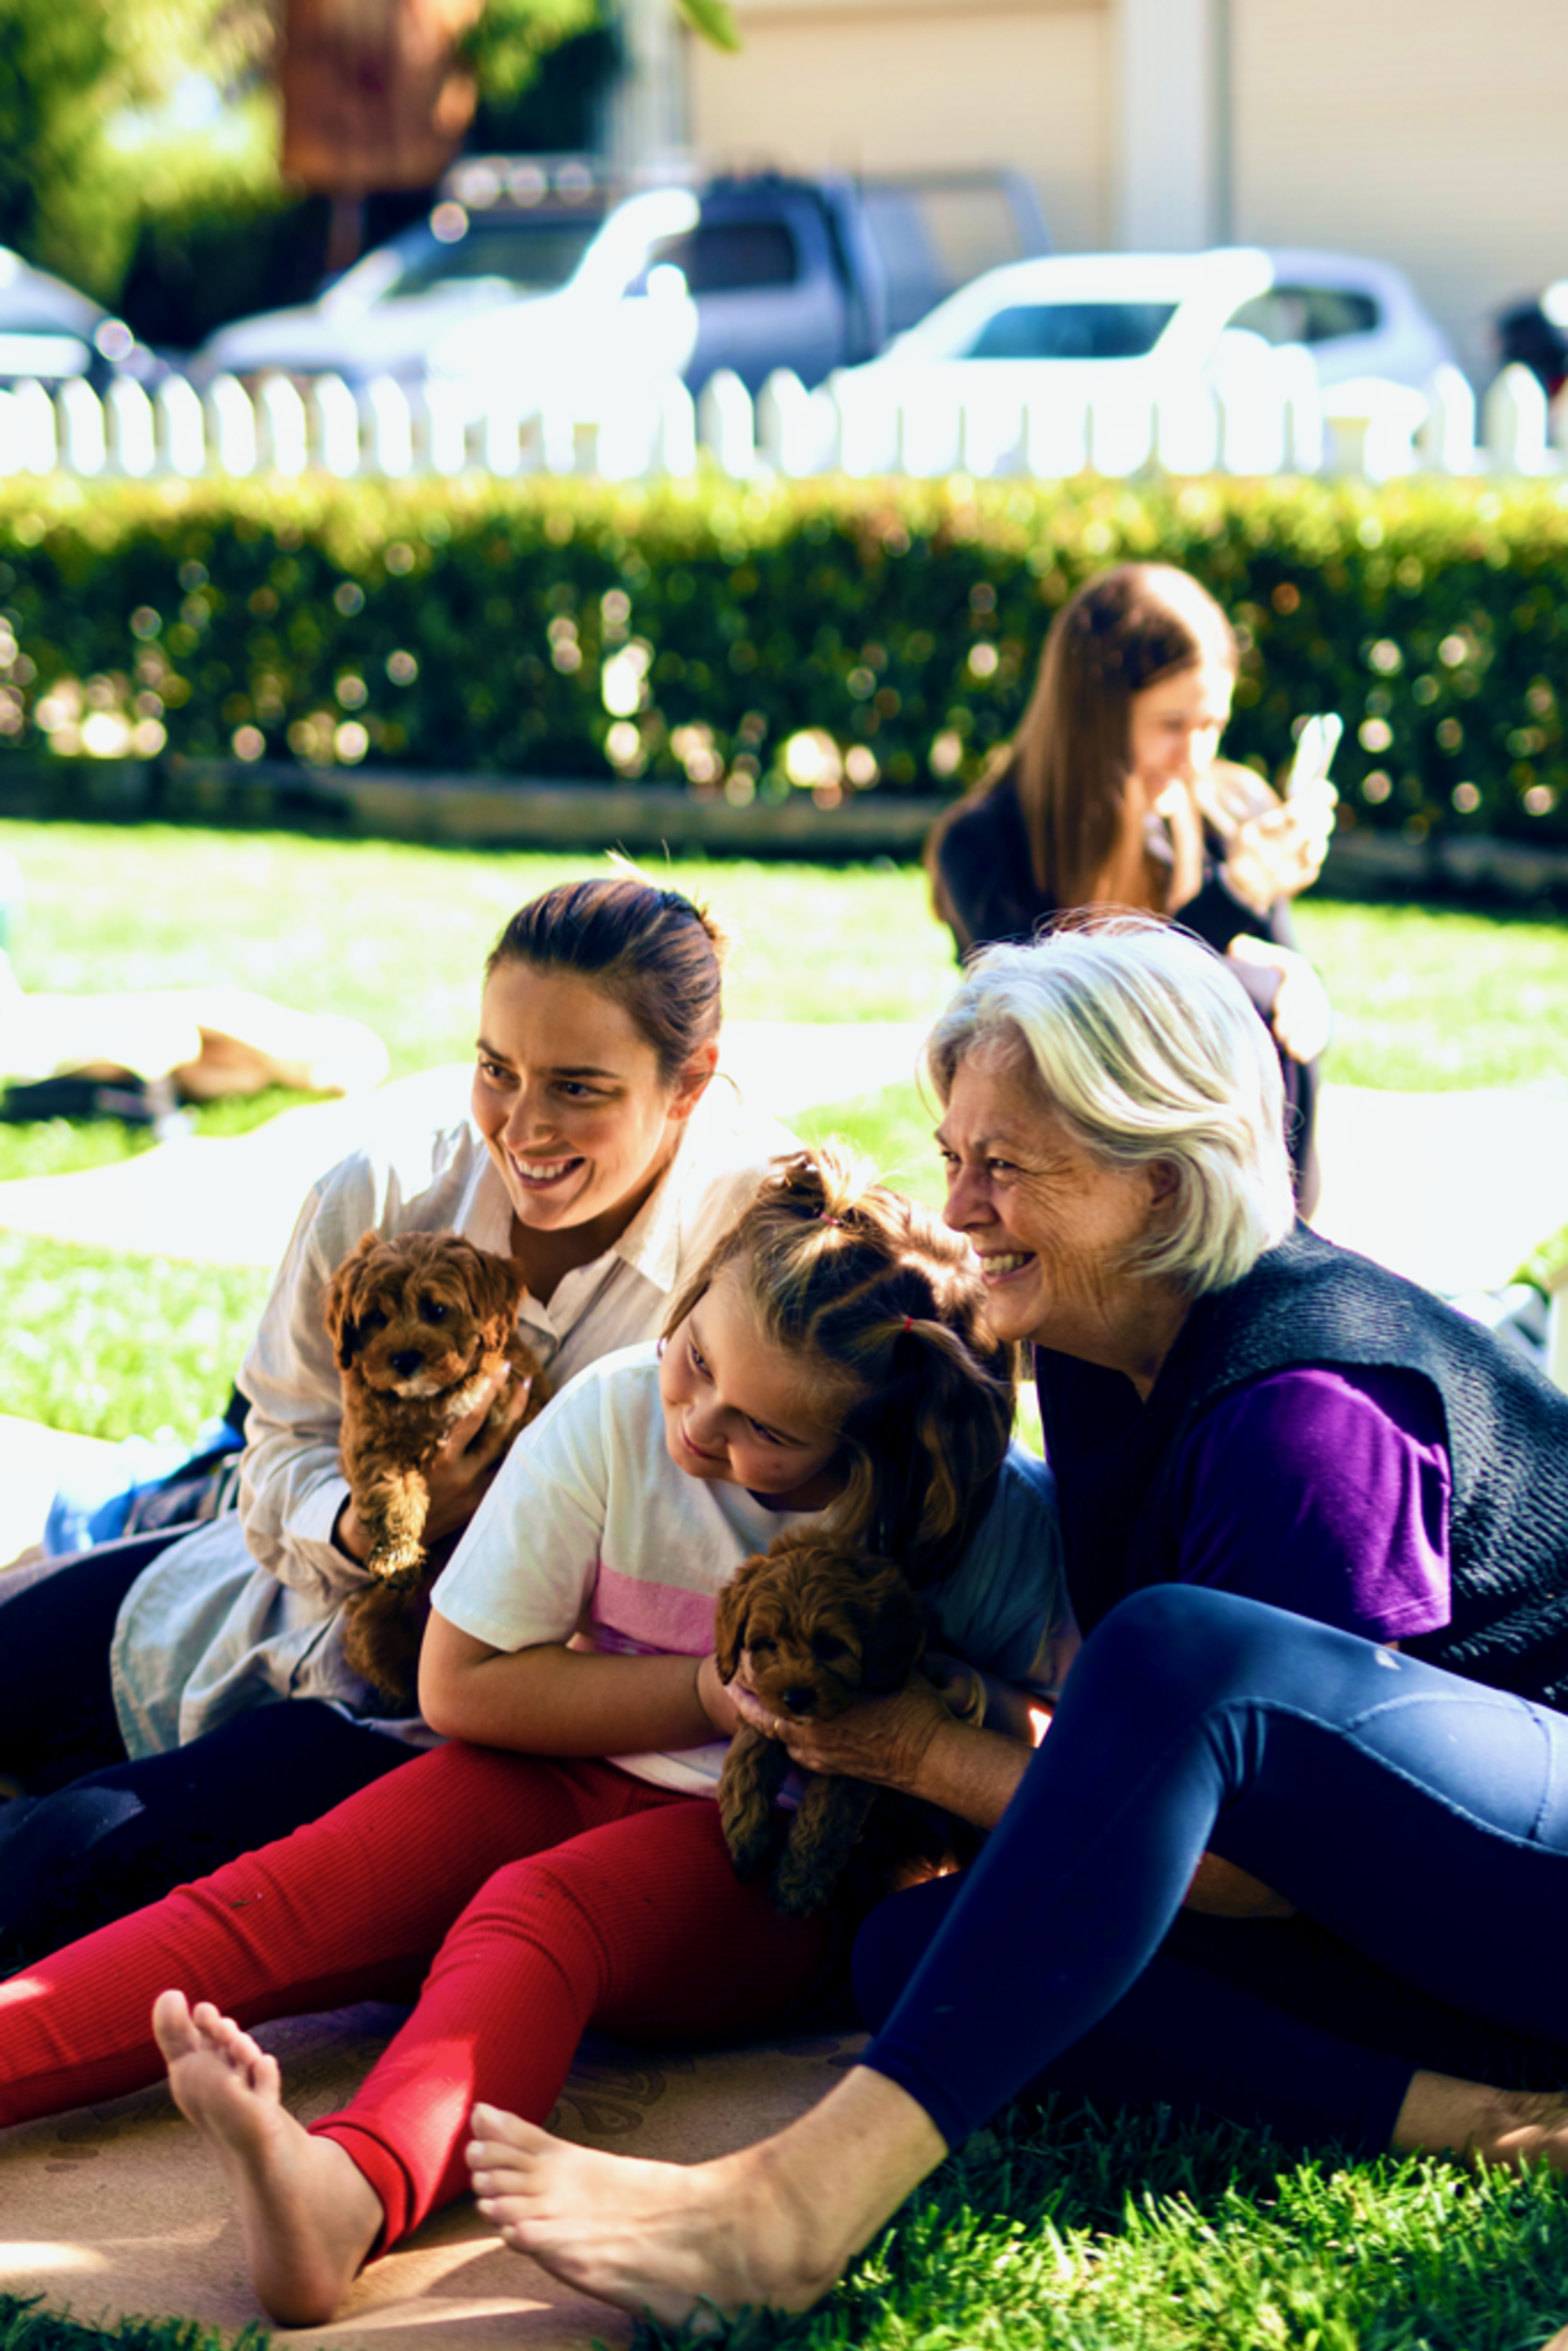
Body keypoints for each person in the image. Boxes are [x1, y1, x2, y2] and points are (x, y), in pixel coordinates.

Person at [440, 918, 1568, 2327]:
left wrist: (921, 1748)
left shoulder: (1309, 1414)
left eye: (1008, 1167)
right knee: (921, 1953)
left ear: (1159, 1183)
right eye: (954, 1153)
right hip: (1432, 1922)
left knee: (1177, 1651)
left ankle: (797, 2206)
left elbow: (1251, 1864)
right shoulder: (1097, 1340)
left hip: (1523, 1879)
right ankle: (1481, 2113)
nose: (960, 1206)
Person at [0, 1145, 1067, 2330]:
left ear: (878, 1451)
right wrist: (707, 1692)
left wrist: (950, 1710)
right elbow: (461, 1686)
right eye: (695, 1359)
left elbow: (1085, 1748)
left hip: (763, 1851)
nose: (696, 1424)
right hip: (556, 1759)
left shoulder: (984, 1516)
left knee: (534, 1915)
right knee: (285, 1891)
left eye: (763, 1428)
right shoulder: (618, 1408)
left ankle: (343, 2194)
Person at [0, 873, 799, 1961]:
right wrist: (361, 1524)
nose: (524, 1126)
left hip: (439, 1718)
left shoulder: (760, 1246)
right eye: (496, 1069)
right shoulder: (383, 1186)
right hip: (256, 1600)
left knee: (67, 1860)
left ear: (690, 1080)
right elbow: (278, 1441)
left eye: (578, 1087)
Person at [926, 563, 1336, 1210]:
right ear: (1095, 718)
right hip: (1057, 1175)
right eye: (1172, 725)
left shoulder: (1228, 811)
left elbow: (1282, 1000)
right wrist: (1236, 895)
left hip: (1239, 1185)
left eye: (1212, 725)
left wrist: (1294, 974)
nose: (1195, 757)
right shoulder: (986, 843)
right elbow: (1066, 1019)